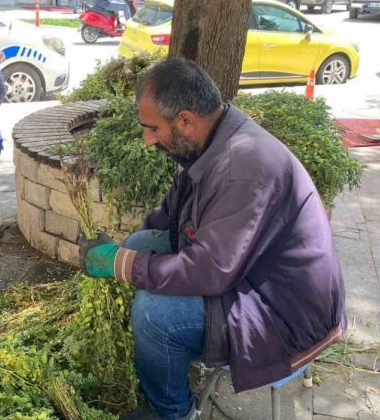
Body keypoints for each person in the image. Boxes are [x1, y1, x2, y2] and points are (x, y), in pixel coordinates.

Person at [78, 59, 346, 420]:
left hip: (282, 310)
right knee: (141, 243)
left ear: (186, 120)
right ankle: (166, 365)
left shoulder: (242, 168)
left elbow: (210, 271)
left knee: (154, 315)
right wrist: (126, 252)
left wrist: (118, 263)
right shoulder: (209, 140)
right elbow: (171, 216)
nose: (147, 139)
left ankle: (175, 413)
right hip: (248, 274)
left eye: (152, 128)